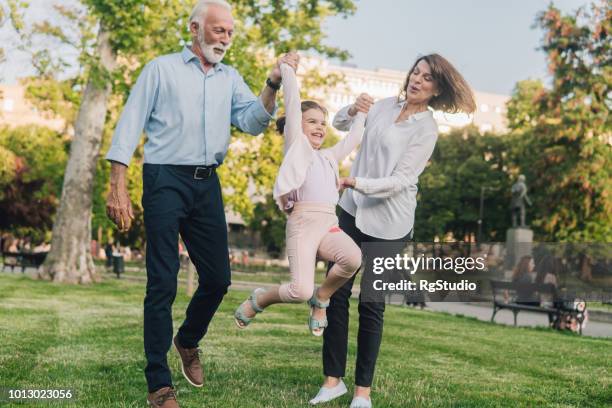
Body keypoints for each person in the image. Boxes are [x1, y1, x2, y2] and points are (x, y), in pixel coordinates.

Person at [104, 1, 297, 406]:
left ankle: (187, 340)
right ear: (195, 29)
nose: (226, 38)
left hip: (206, 183)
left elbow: (252, 121)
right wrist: (117, 183)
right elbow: (130, 121)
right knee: (162, 281)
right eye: (218, 30)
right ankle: (159, 384)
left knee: (218, 279)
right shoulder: (161, 68)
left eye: (230, 32)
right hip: (164, 178)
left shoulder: (230, 77)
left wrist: (273, 82)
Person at [310, 54, 476, 408]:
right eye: (416, 72)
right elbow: (343, 123)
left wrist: (355, 181)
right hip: (352, 210)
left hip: (391, 221)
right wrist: (354, 108)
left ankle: (362, 393)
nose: (417, 80)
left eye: (427, 78)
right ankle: (332, 380)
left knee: (372, 303)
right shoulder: (385, 106)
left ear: (436, 89)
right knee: (336, 292)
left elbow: (401, 181)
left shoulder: (426, 129)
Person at [233, 57, 365, 338]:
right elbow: (292, 105)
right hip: (303, 225)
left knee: (353, 259)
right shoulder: (296, 148)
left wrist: (362, 112)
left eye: (323, 123)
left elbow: (353, 140)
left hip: (328, 225)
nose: (319, 127)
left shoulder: (329, 157)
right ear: (300, 126)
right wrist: (288, 71)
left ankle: (322, 298)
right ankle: (259, 300)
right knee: (298, 290)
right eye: (312, 122)